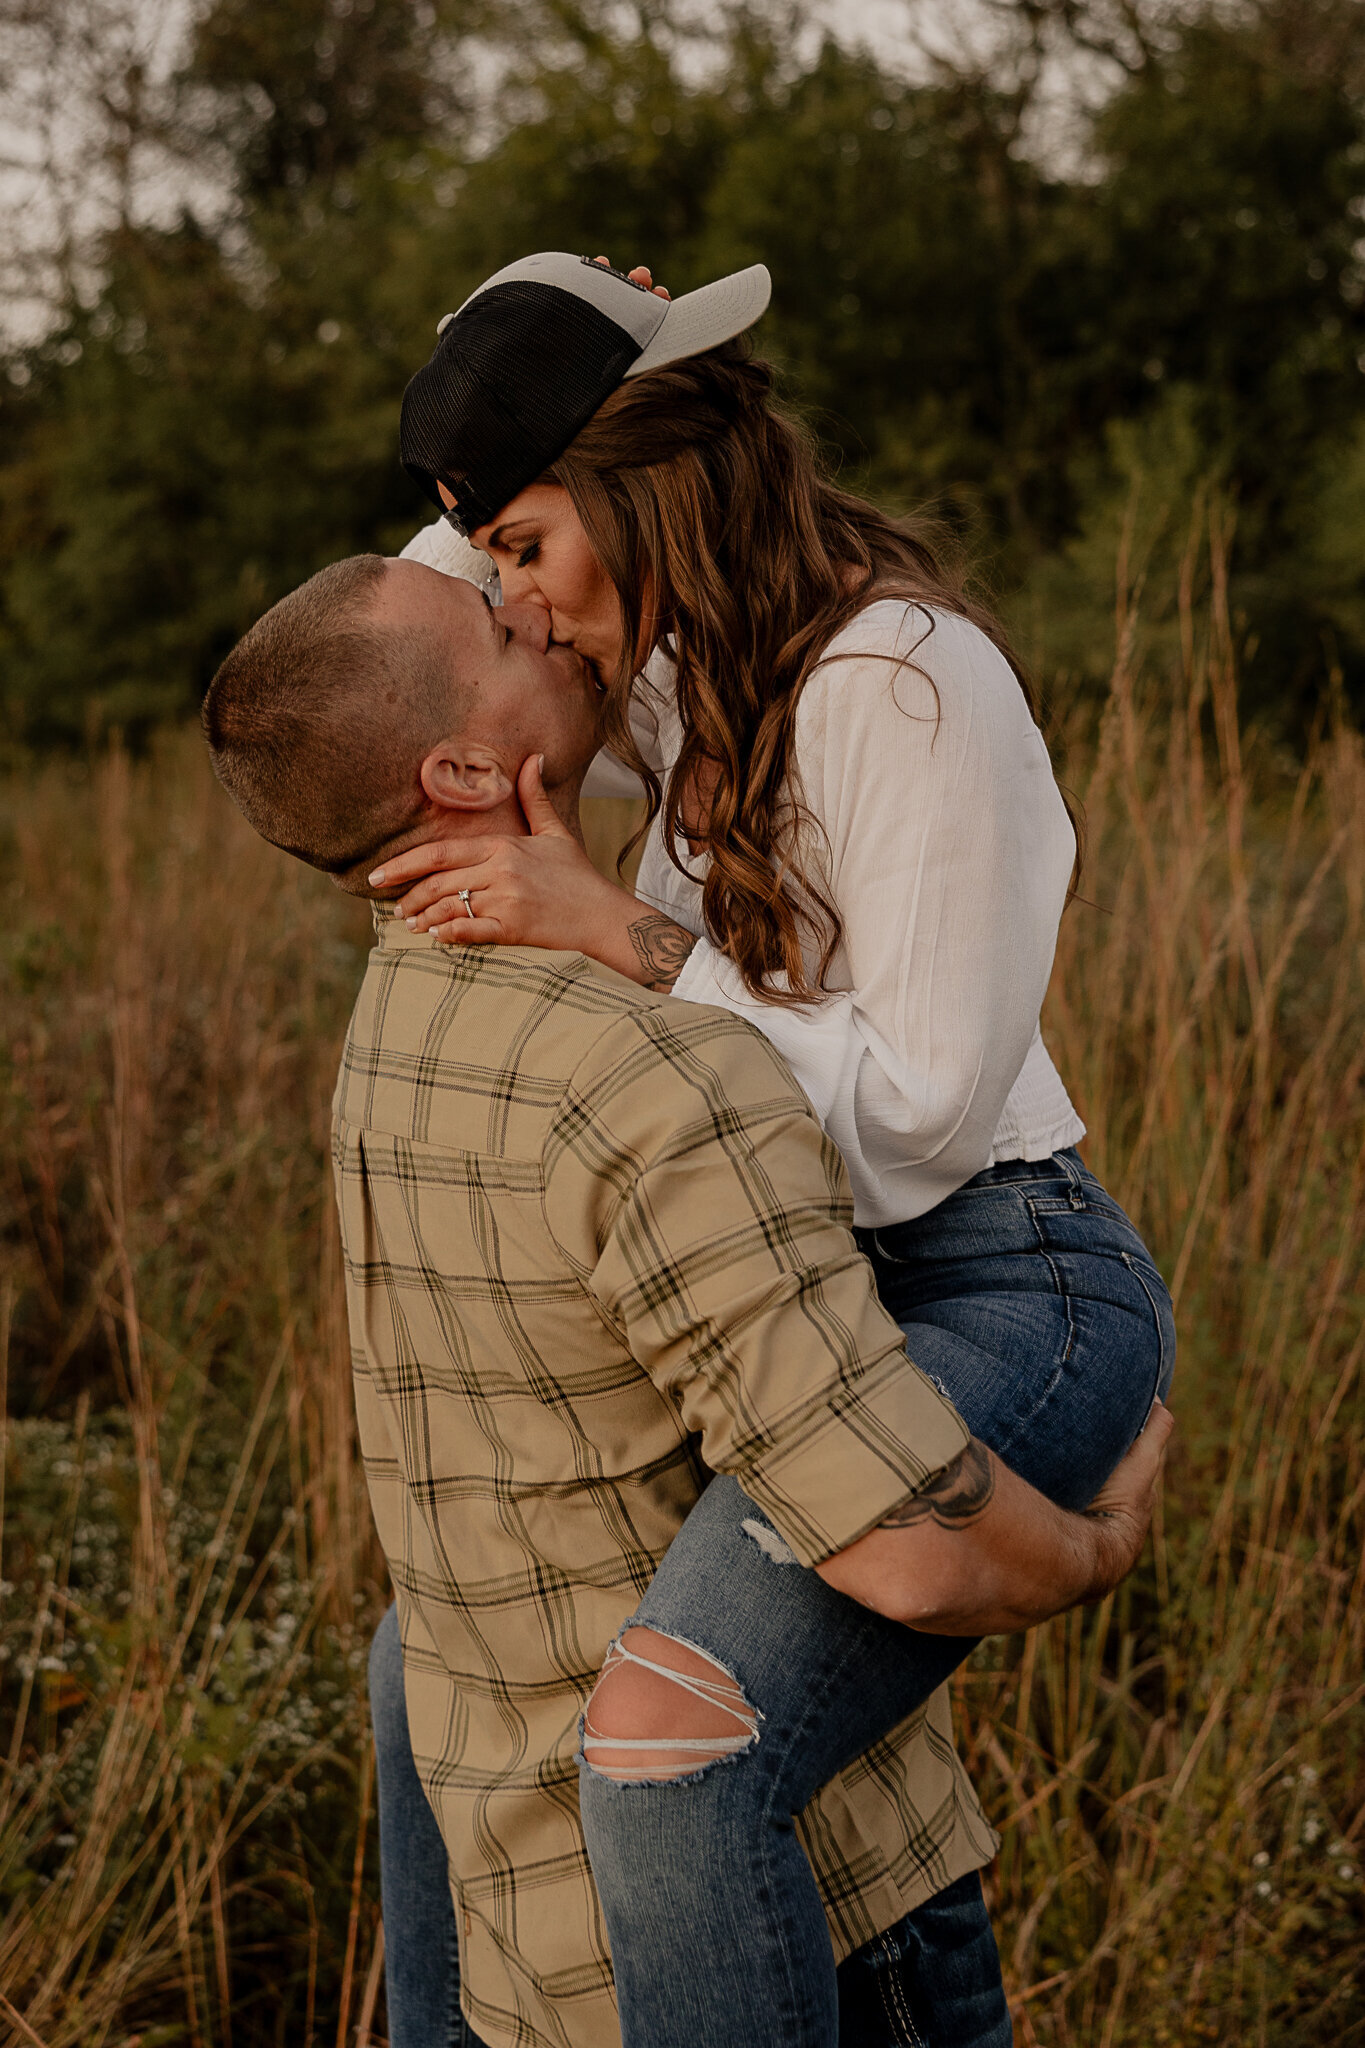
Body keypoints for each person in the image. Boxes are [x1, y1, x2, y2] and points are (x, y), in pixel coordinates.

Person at [359, 251, 1181, 2046]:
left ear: (643, 483)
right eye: (492, 549)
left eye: (523, 544)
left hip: (993, 1278)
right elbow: (395, 630)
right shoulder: (663, 659)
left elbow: (917, 1118)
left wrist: (618, 929)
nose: (509, 597)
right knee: (429, 1656)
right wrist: (536, 313)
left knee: (672, 1744)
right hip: (798, 1283)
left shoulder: (903, 686)